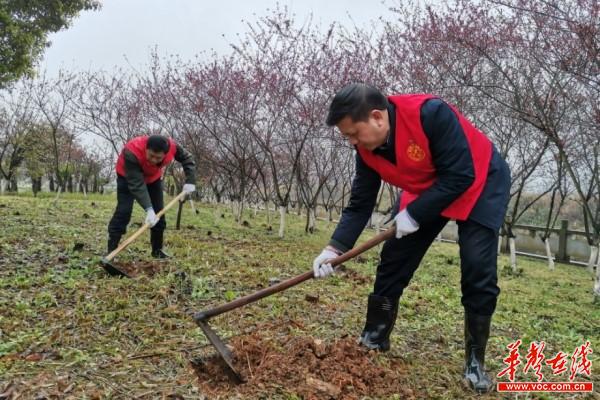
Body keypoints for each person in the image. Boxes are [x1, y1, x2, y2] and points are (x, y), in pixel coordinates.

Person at [312, 83, 510, 393]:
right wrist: (333, 250)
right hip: (429, 189)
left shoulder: (430, 113)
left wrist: (415, 214)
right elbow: (360, 203)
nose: (351, 142)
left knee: (477, 268)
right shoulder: (365, 150)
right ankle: (374, 337)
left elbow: (460, 176)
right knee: (395, 256)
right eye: (346, 136)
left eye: (353, 133)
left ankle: (475, 361)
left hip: (480, 181)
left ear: (377, 117)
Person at [107, 134, 196, 258]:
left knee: (159, 212)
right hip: (127, 177)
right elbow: (136, 184)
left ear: (165, 153)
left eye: (158, 158)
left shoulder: (173, 147)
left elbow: (187, 159)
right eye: (151, 156)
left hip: (152, 178)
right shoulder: (132, 151)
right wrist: (148, 209)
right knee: (123, 211)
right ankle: (111, 249)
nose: (154, 160)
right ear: (146, 149)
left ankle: (157, 250)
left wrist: (190, 181)